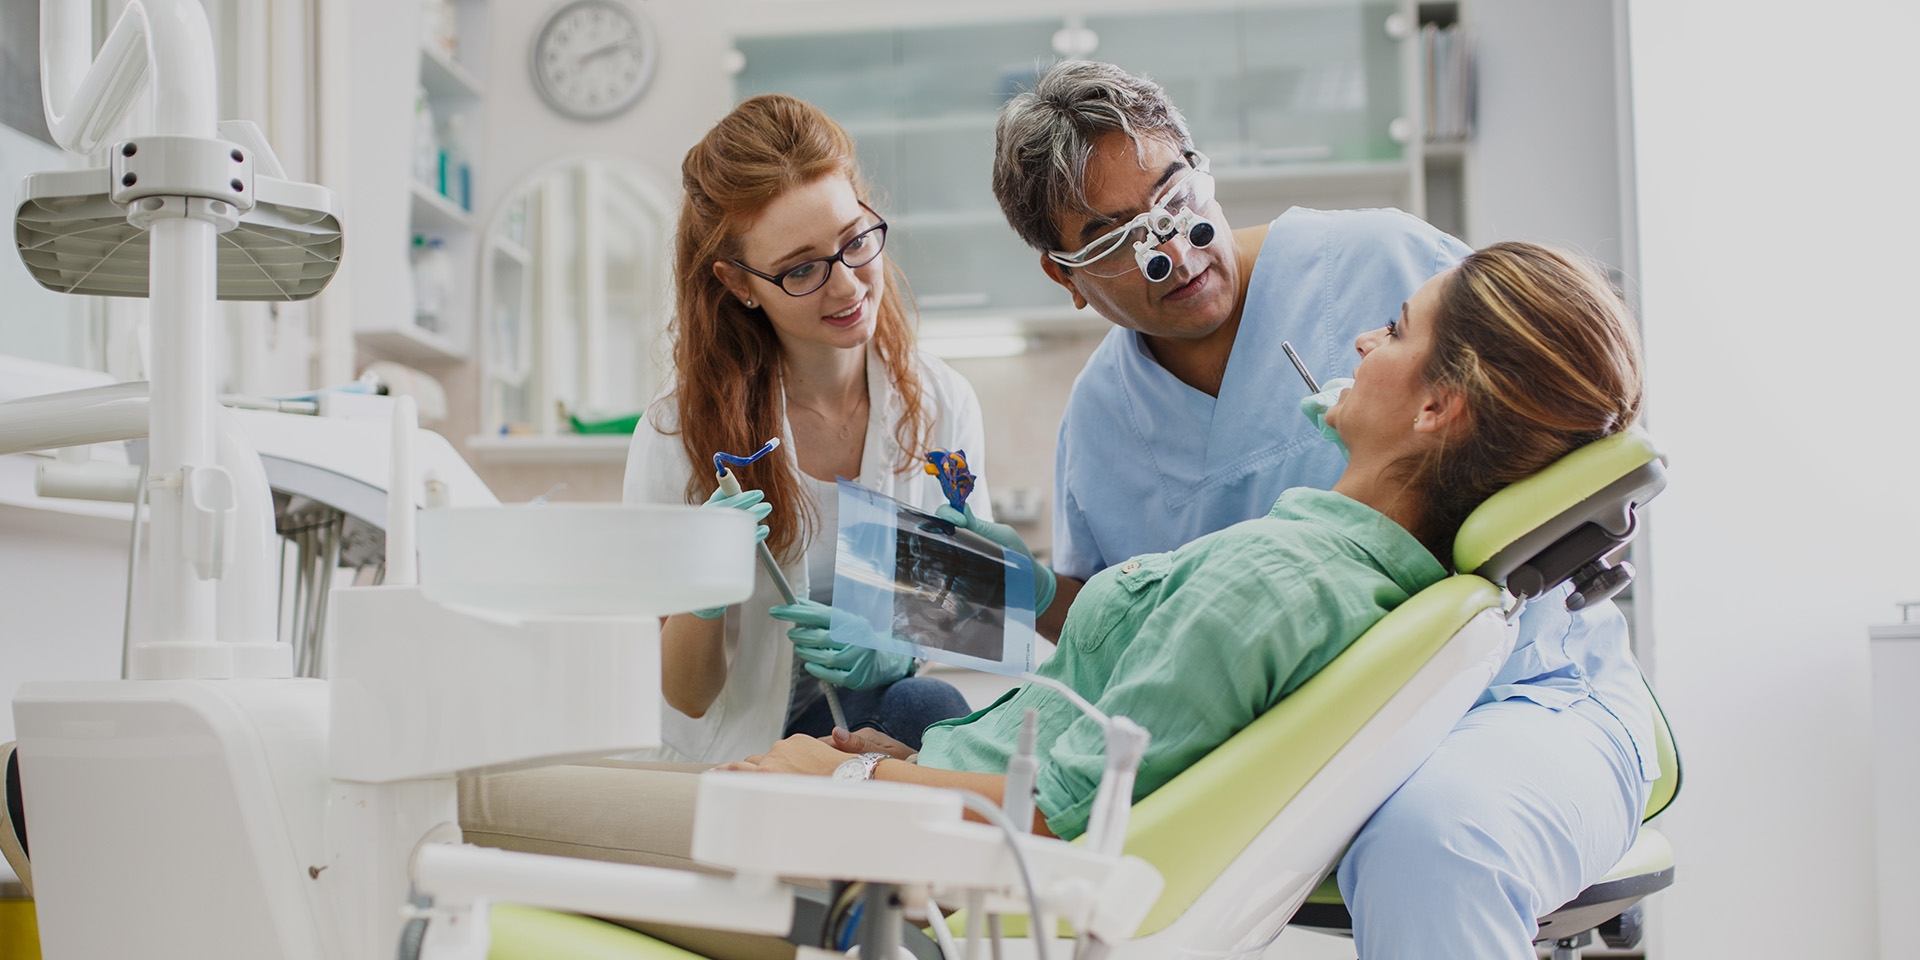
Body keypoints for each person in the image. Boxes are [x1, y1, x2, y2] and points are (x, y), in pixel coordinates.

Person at [922, 60, 1661, 958]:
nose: (1178, 251)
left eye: (1173, 196)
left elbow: (1564, 394)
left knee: (1429, 847)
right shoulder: (1104, 422)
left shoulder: (1389, 267)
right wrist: (1023, 590)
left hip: (1516, 697)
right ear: (1064, 275)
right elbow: (1136, 641)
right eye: (1115, 238)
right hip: (1297, 758)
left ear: (1204, 167)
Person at [728, 244, 1646, 876]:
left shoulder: (1271, 584)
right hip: (940, 781)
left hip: (944, 853)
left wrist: (846, 781)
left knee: (588, 813)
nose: (1365, 342)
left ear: (1441, 409)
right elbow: (1119, 740)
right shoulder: (1350, 574)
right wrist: (933, 740)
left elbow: (1063, 819)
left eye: (1396, 331)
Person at [621, 93, 986, 763]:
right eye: (802, 269)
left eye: (854, 241)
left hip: (875, 724)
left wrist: (894, 643)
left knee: (929, 708)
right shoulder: (678, 433)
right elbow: (686, 694)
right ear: (739, 284)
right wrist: (706, 581)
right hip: (742, 751)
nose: (847, 287)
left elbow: (963, 611)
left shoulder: (941, 402)